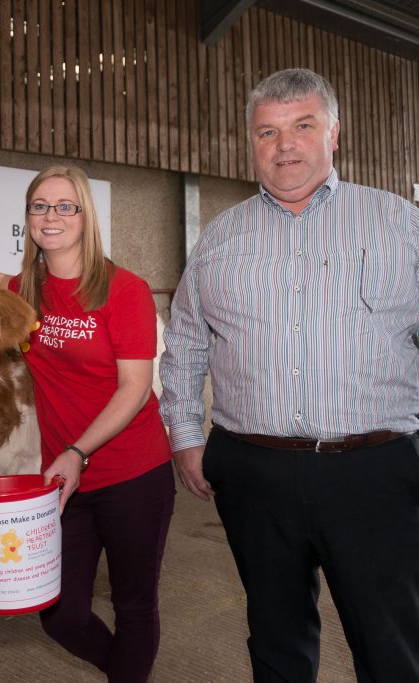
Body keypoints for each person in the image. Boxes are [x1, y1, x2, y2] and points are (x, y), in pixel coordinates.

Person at [160, 67, 419, 682]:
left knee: (392, 642)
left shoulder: (398, 225)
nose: (284, 146)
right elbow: (188, 340)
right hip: (254, 470)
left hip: (374, 470)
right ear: (252, 143)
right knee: (275, 637)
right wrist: (186, 434)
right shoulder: (220, 237)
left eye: (302, 126)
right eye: (267, 132)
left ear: (334, 133)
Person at [0, 165, 174, 682]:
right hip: (65, 482)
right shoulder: (26, 292)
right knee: (60, 614)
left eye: (64, 207)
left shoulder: (125, 290)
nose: (50, 216)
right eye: (40, 207)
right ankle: (125, 671)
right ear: (29, 218)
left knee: (134, 605)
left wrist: (77, 453)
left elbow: (135, 388)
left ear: (85, 217)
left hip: (132, 473)